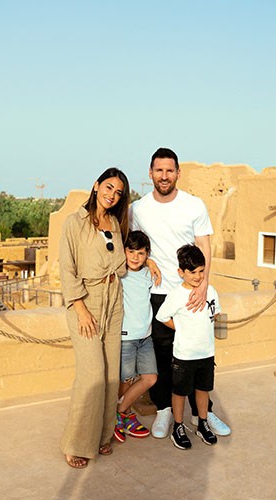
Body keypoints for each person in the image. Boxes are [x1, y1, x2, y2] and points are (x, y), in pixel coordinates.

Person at [130, 147, 231, 439]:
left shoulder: (194, 205)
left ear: (178, 173)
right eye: (159, 170)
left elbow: (204, 245)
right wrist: (148, 261)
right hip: (157, 293)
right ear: (150, 173)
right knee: (163, 357)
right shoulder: (138, 209)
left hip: (190, 293)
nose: (164, 176)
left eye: (169, 170)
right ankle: (165, 411)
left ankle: (205, 413)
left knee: (198, 356)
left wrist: (202, 284)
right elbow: (135, 245)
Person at [59, 167, 130, 469]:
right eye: (109, 187)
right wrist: (80, 308)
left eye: (118, 193)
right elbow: (67, 269)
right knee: (92, 375)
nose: (112, 195)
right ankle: (76, 444)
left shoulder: (115, 222)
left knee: (111, 375)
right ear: (96, 185)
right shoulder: (74, 223)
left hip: (114, 301)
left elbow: (127, 258)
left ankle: (101, 437)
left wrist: (149, 262)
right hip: (86, 301)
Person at [155, 244, 221, 449]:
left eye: (201, 271)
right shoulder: (176, 295)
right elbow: (161, 316)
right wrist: (181, 328)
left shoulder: (210, 290)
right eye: (192, 272)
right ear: (180, 272)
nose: (198, 276)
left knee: (203, 389)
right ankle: (178, 426)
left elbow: (215, 312)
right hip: (184, 355)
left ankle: (202, 423)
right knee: (180, 391)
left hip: (206, 353)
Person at [114, 230, 158, 443]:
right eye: (130, 251)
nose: (134, 257)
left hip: (146, 337)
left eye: (140, 253)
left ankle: (120, 412)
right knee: (126, 380)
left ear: (147, 254)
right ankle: (125, 415)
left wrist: (151, 263)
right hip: (126, 337)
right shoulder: (120, 273)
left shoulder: (149, 273)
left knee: (150, 378)